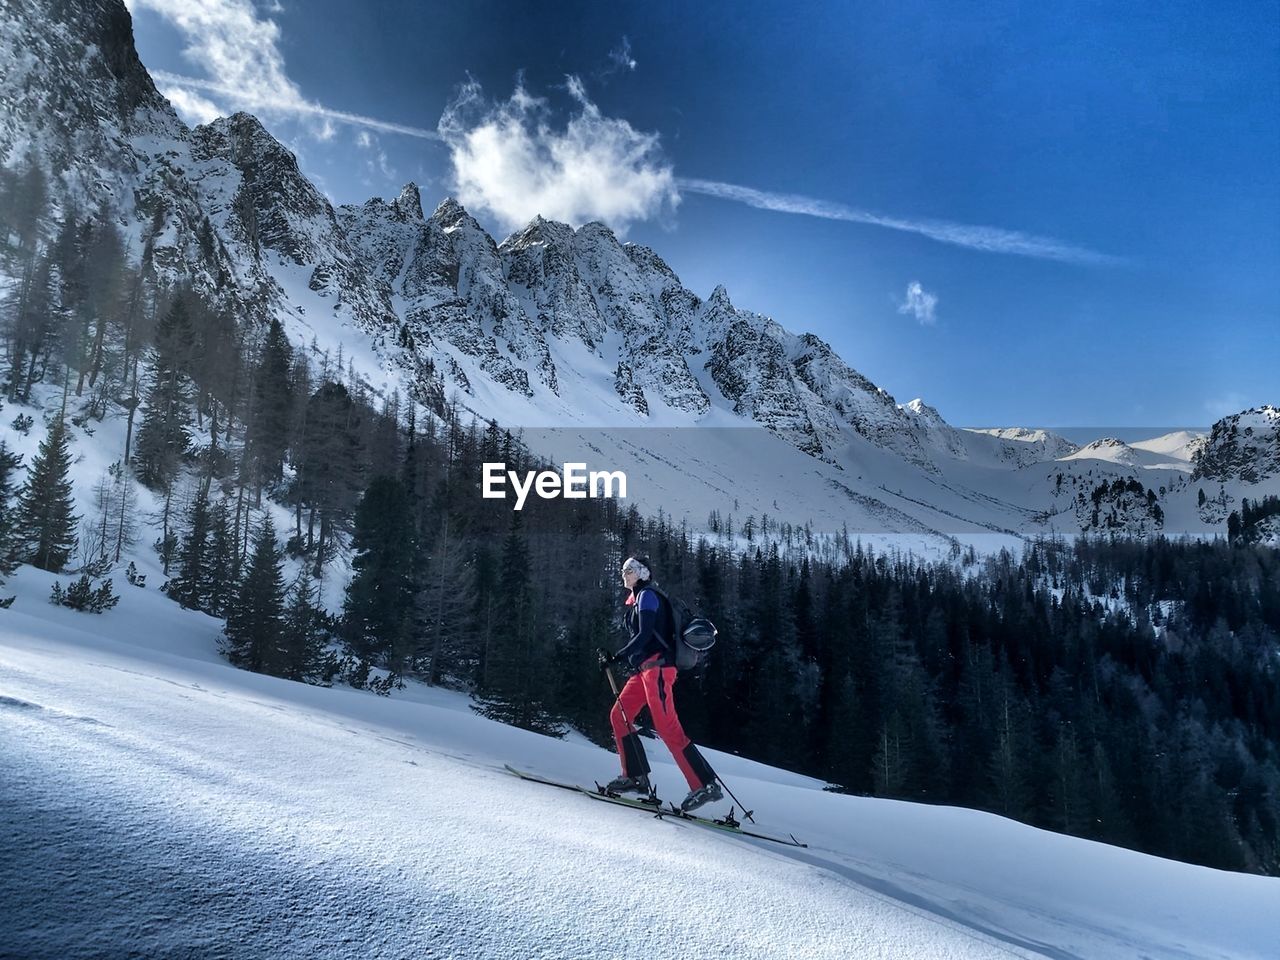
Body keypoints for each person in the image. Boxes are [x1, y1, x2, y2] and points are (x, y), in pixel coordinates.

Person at [600, 556, 723, 813]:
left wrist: (617, 656)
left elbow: (645, 634)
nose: (625, 573)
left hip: (658, 669)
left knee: (667, 728)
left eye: (630, 570)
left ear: (643, 573)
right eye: (624, 569)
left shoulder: (648, 596)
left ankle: (706, 785)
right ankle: (635, 777)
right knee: (619, 716)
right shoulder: (638, 599)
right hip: (644, 671)